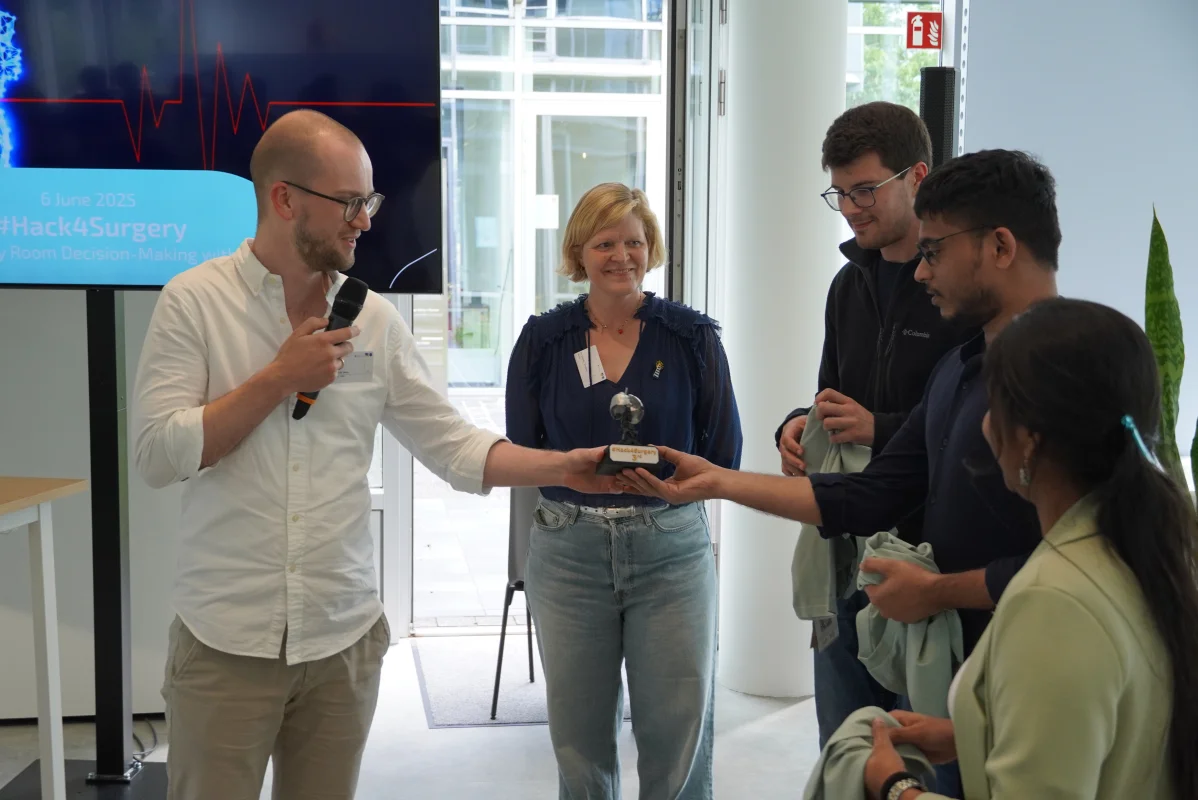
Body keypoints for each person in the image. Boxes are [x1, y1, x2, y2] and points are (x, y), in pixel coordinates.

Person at [131, 109, 615, 800]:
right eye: (349, 202)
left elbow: (450, 443)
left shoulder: (374, 319)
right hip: (225, 643)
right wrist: (277, 378)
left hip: (343, 643)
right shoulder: (195, 302)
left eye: (370, 201)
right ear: (284, 199)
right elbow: (157, 455)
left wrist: (564, 467)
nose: (364, 220)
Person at [616, 149, 1062, 796]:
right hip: (955, 675)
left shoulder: (1076, 368)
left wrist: (939, 591)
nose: (922, 271)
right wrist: (715, 480)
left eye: (934, 251)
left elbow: (1086, 563)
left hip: (1033, 675)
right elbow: (872, 494)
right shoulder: (961, 368)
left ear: (999, 246)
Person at [862, 297, 1198, 799]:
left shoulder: (1052, 601)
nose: (982, 423)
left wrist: (895, 787)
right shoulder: (1151, 548)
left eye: (991, 403)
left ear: (1029, 441)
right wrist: (973, 737)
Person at [505, 182, 743, 800]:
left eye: (633, 242)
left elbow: (724, 452)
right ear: (579, 252)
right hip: (569, 551)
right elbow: (522, 451)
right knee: (578, 740)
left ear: (651, 247)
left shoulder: (690, 337)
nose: (621, 256)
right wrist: (567, 469)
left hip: (671, 548)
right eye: (604, 243)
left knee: (678, 733)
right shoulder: (544, 340)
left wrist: (679, 487)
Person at [775, 101, 974, 748]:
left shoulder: (960, 292)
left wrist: (879, 429)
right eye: (840, 193)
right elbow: (831, 396)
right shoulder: (847, 287)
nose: (851, 208)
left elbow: (970, 427)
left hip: (926, 561)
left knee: (921, 753)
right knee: (847, 751)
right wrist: (799, 426)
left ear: (917, 176)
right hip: (845, 556)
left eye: (865, 190)